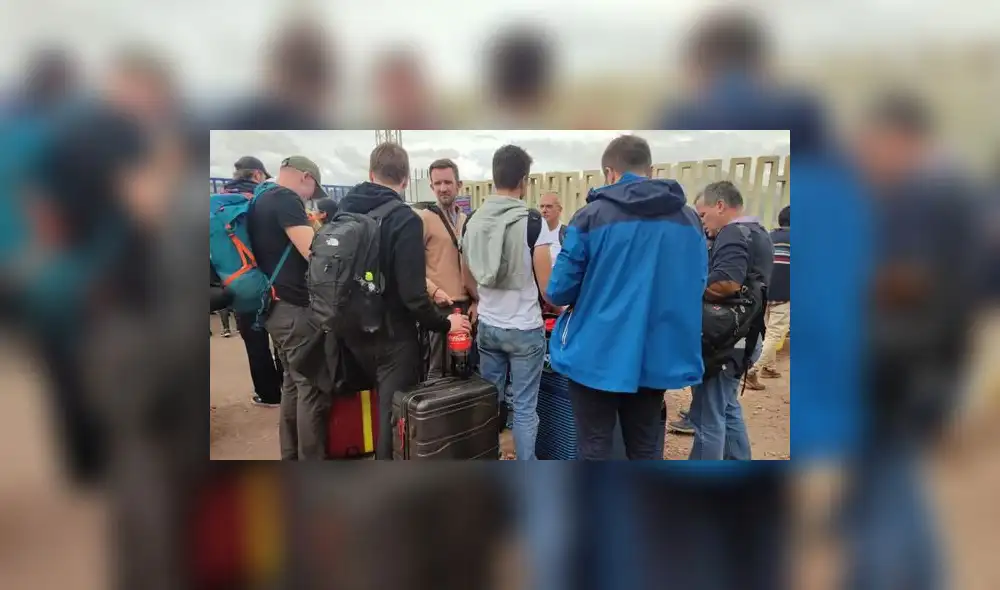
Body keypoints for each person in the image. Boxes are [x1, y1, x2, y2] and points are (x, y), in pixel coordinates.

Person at [546, 135, 707, 460]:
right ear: (651, 170)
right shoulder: (689, 220)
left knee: (594, 446)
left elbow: (558, 289)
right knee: (645, 445)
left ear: (610, 172)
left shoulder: (590, 216)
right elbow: (698, 282)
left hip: (593, 353)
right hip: (654, 352)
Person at [339, 143, 470, 460]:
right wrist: (444, 322)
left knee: (377, 403)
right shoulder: (405, 219)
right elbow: (413, 294)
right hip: (392, 334)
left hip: (351, 326)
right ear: (407, 178)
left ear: (371, 173)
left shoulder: (344, 209)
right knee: (393, 412)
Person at [462, 145, 555, 460]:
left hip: (489, 326)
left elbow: (467, 278)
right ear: (524, 180)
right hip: (525, 330)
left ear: (494, 176)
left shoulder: (473, 221)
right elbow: (548, 288)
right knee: (525, 409)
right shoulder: (533, 222)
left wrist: (485, 298)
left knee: (490, 403)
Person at [247, 156, 326, 459]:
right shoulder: (286, 199)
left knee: (292, 384)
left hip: (274, 307)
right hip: (295, 309)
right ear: (306, 177)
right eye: (312, 190)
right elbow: (314, 254)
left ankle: (290, 456)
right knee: (311, 388)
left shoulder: (260, 198)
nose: (310, 198)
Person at [689, 181, 773, 460]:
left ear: (720, 206)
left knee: (707, 419)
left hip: (724, 342)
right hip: (746, 337)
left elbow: (726, 283)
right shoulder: (759, 233)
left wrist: (688, 287)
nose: (702, 223)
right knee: (726, 408)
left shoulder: (732, 232)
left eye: (703, 215)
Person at [219, 157, 285, 407]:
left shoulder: (219, 204)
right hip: (273, 281)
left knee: (255, 345)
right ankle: (288, 387)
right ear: (257, 175)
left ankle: (268, 395)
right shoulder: (263, 200)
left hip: (240, 283)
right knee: (282, 340)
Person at [416, 158, 478, 378]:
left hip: (467, 307)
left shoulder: (465, 220)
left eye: (448, 182)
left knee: (465, 372)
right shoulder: (423, 219)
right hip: (440, 309)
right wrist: (433, 291)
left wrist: (476, 300)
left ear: (458, 185)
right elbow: (412, 266)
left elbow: (474, 263)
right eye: (438, 183)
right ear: (431, 186)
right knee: (438, 372)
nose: (443, 188)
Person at [747, 205, 790, 387]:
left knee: (767, 331)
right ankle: (753, 370)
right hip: (784, 293)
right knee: (775, 333)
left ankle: (769, 367)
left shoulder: (770, 237)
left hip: (765, 292)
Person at [538, 192, 564, 267]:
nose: (544, 210)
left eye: (549, 206)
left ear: (559, 209)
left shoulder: (566, 234)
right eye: (542, 206)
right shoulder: (533, 233)